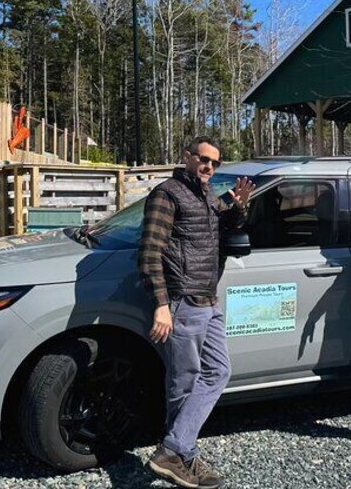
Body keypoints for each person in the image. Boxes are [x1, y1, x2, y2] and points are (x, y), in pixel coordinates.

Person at [138, 136, 254, 489]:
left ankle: (174, 449)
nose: (209, 166)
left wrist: (239, 207)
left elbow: (224, 228)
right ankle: (182, 455)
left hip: (208, 298)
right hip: (183, 300)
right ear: (187, 157)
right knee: (184, 382)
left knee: (218, 371)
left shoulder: (206, 196)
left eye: (215, 163)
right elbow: (150, 252)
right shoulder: (168, 194)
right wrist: (161, 304)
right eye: (204, 159)